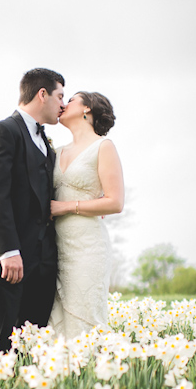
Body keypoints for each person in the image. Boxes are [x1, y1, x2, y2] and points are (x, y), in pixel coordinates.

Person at [0, 68, 65, 355]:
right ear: (42, 94)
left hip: (41, 264)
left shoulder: (47, 144)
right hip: (7, 262)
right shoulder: (4, 131)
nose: (63, 104)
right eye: (60, 96)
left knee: (30, 348)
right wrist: (8, 251)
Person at [48, 91, 124, 340]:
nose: (63, 104)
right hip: (55, 248)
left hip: (87, 249)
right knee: (54, 325)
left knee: (84, 324)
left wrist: (66, 207)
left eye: (70, 99)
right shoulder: (56, 152)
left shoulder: (103, 147)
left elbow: (115, 202)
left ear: (86, 109)